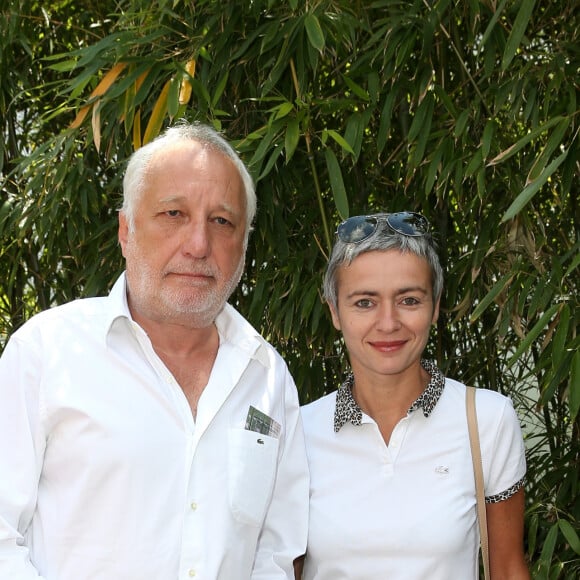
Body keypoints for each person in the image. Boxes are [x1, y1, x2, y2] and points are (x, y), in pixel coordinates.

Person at [0, 122, 309, 579]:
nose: (199, 245)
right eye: (173, 214)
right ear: (126, 231)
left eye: (221, 221)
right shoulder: (47, 353)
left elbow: (278, 555)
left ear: (244, 246)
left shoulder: (266, 377)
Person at [298, 211, 529, 579]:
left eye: (408, 300)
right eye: (364, 302)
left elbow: (508, 569)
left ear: (435, 306)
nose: (388, 323)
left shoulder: (485, 419)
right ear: (334, 311)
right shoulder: (298, 433)